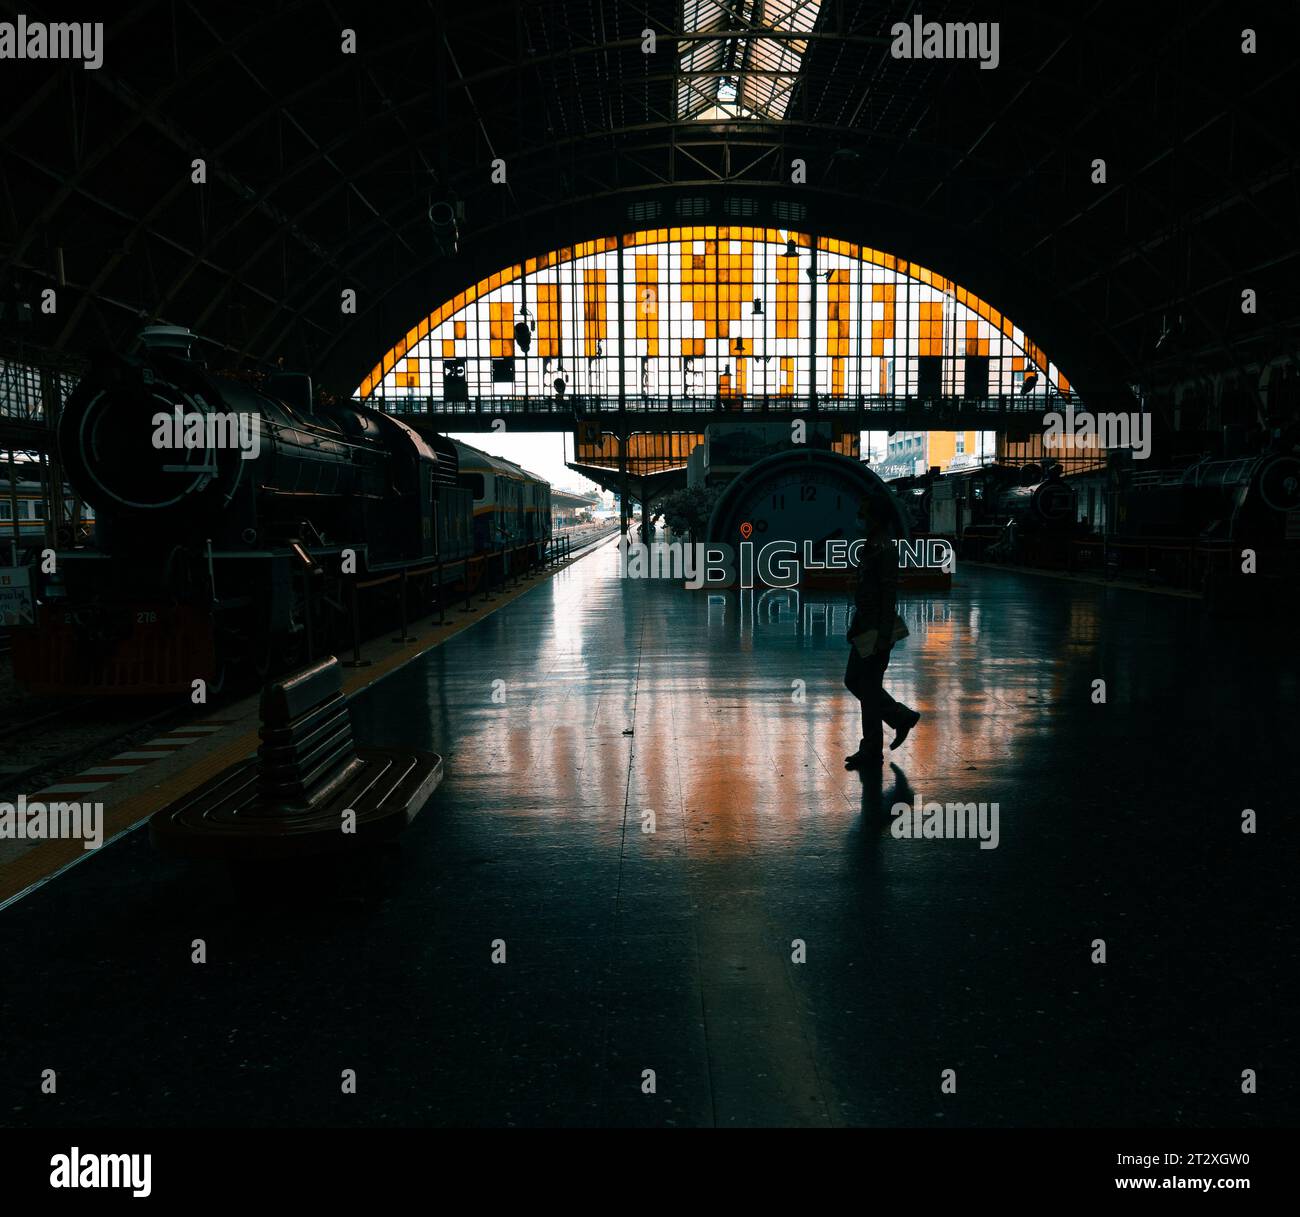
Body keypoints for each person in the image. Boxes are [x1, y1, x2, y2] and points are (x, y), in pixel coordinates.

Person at [843, 501, 922, 770]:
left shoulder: (885, 550)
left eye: (862, 514)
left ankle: (872, 748)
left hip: (876, 630)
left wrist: (883, 635)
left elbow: (889, 596)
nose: (859, 519)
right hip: (867, 627)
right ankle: (900, 717)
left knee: (866, 686)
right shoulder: (872, 546)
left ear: (875, 519)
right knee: (858, 682)